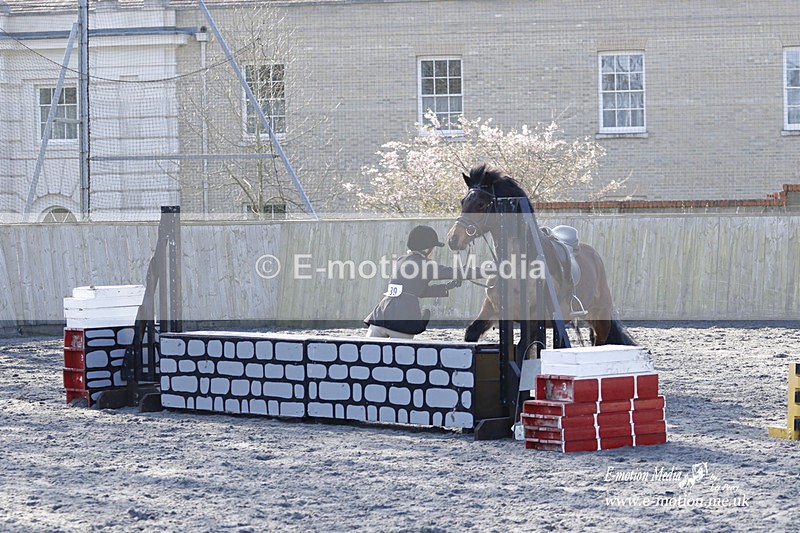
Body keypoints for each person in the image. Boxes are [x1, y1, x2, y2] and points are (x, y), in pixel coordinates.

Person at [364, 225, 462, 338]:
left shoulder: (401, 260)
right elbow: (456, 272)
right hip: (402, 321)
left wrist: (446, 287)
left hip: (380, 318)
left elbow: (413, 291)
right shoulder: (426, 264)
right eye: (433, 248)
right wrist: (485, 271)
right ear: (427, 249)